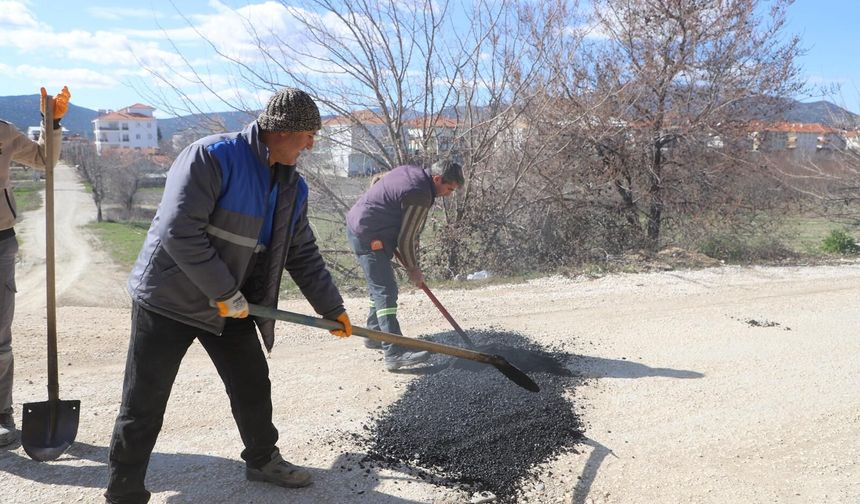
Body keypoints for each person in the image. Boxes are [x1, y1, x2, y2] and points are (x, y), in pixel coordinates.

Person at [105, 87, 352, 503]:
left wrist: (332, 308)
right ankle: (125, 487)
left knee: (252, 382)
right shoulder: (212, 156)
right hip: (169, 299)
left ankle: (262, 460)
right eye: (308, 134)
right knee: (145, 397)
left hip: (231, 306)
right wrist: (223, 290)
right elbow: (179, 230)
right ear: (281, 129)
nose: (312, 144)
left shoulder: (293, 186)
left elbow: (302, 252)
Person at [0, 86, 71, 447]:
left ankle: (0, 414)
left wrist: (52, 121)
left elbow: (45, 160)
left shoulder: (3, 131)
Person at [346, 161, 463, 371]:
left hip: (361, 225)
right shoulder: (421, 194)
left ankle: (374, 334)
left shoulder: (413, 172)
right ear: (437, 179)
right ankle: (394, 352)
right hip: (368, 234)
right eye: (449, 189)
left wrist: (411, 264)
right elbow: (406, 238)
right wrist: (413, 269)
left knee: (380, 286)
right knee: (386, 291)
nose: (449, 194)